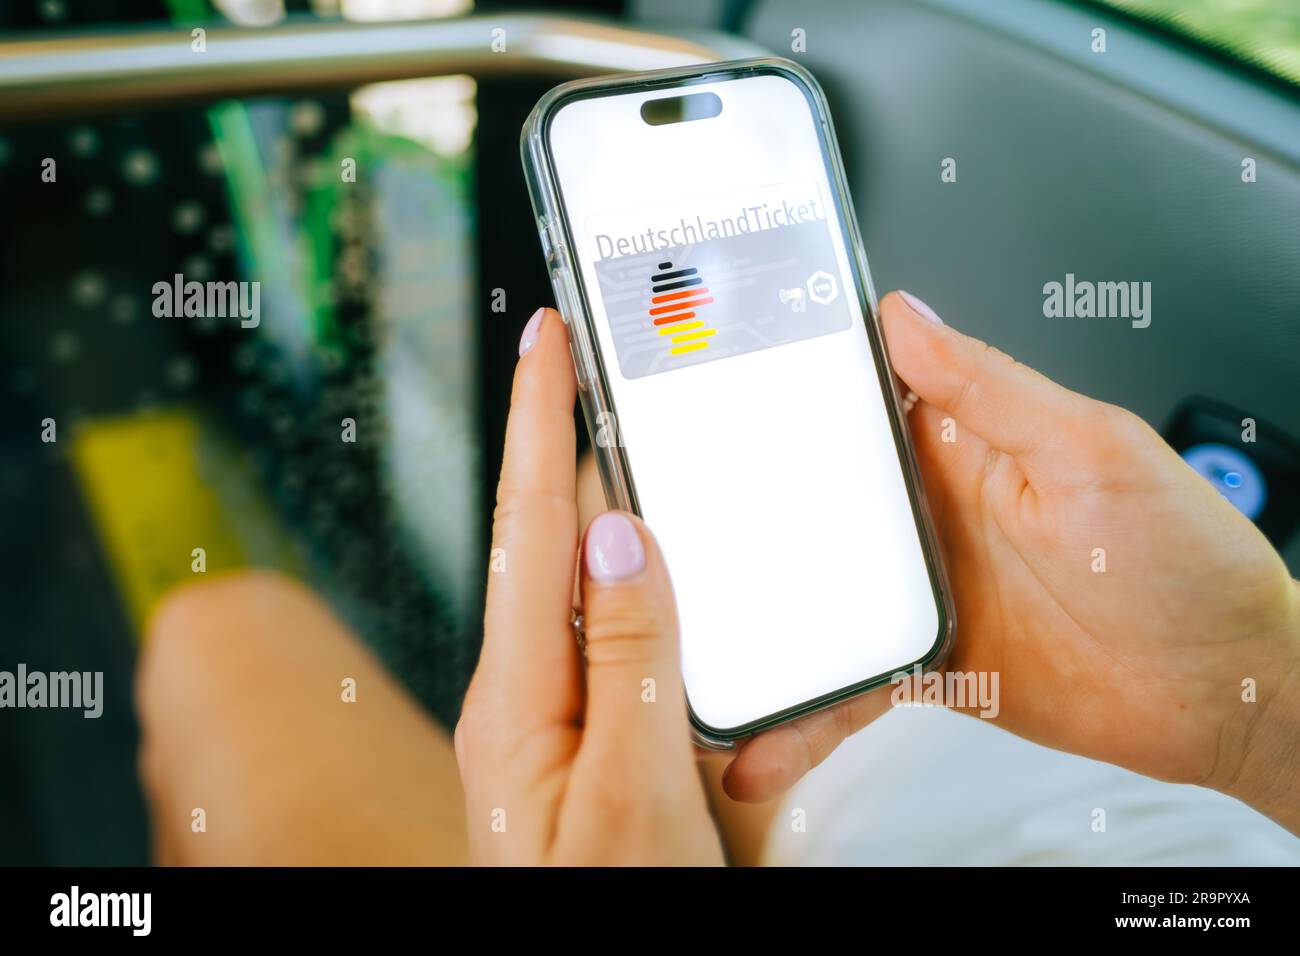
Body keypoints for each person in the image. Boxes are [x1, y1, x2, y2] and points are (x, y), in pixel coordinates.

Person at [136, 291, 1300, 865]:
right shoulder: (1228, 702)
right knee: (628, 497)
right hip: (1032, 726)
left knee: (218, 623)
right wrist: (1256, 706)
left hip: (926, 795)